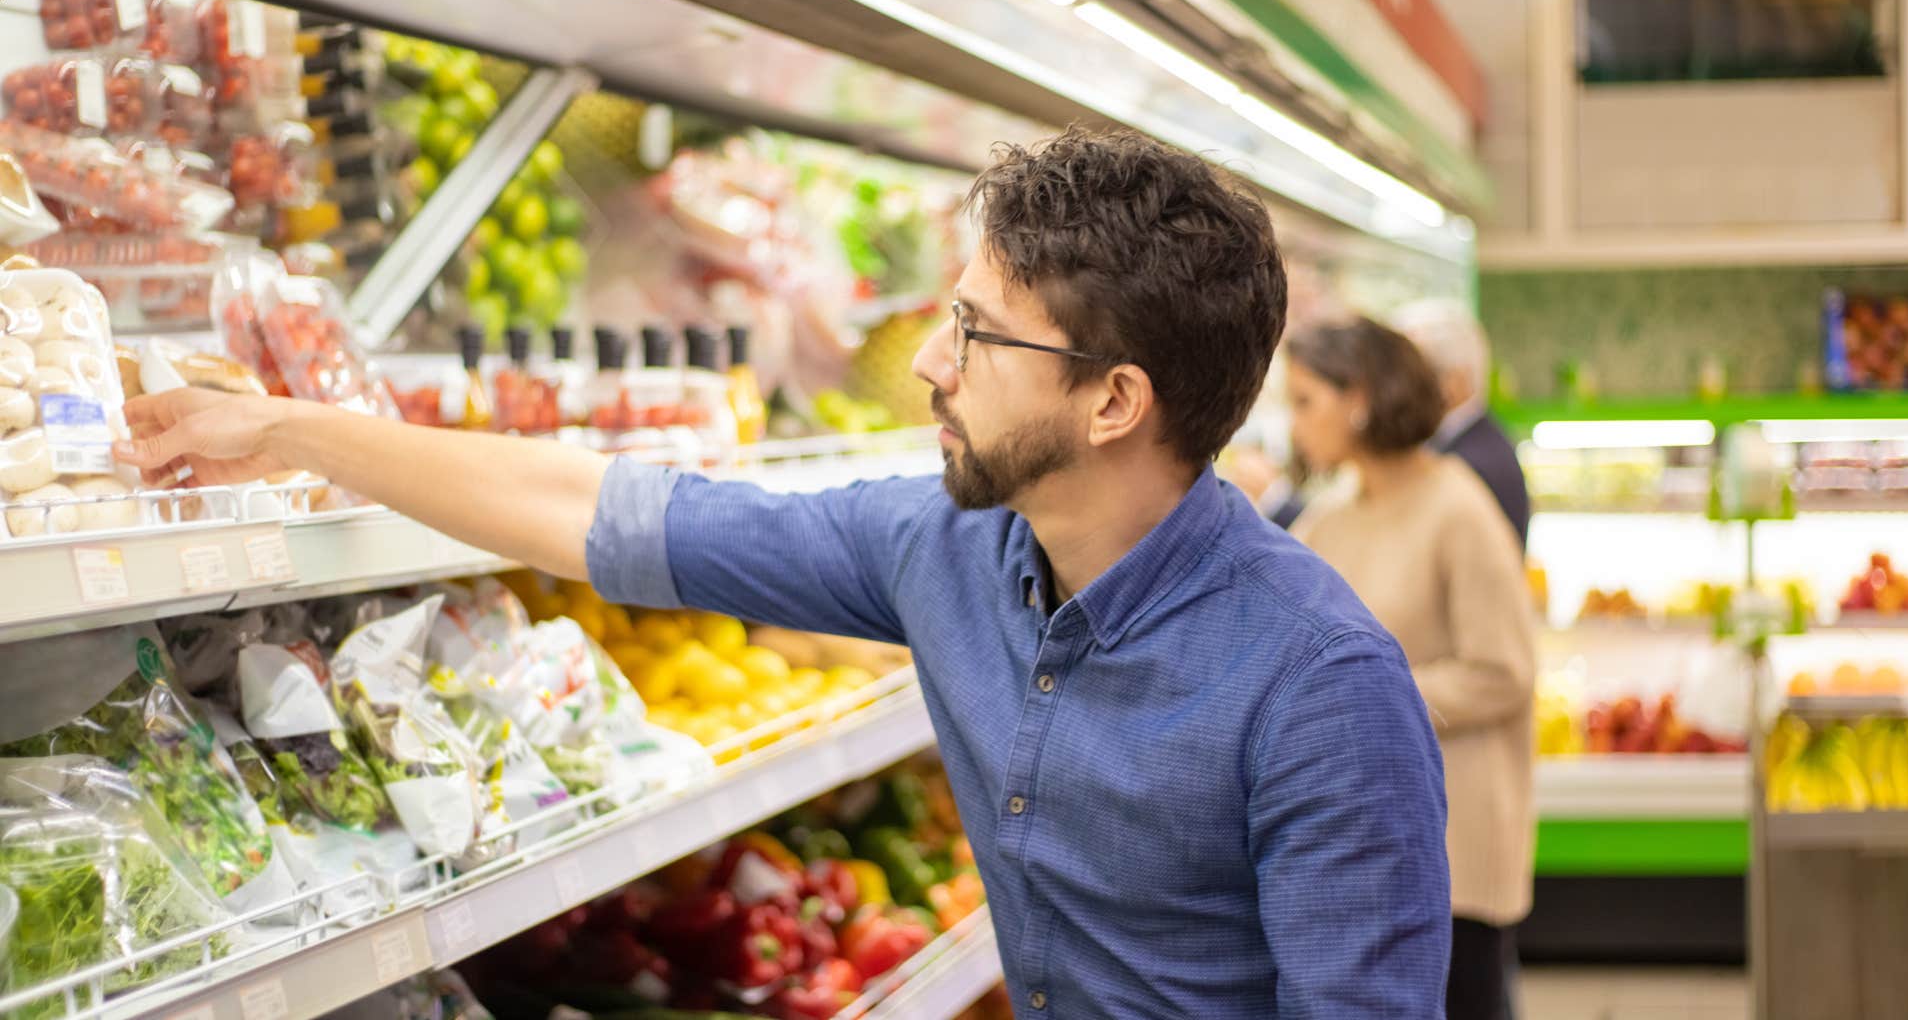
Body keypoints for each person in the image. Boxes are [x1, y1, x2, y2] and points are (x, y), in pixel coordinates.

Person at [116, 130, 1451, 1018]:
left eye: (977, 337)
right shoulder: (950, 549)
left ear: (1115, 403)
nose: (929, 364)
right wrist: (291, 430)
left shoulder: (1319, 687)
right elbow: (602, 509)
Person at [1283, 317, 1536, 1020]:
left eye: (1304, 401)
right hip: (1368, 838)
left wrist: (1364, 696)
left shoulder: (1458, 509)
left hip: (1454, 841)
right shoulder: (1333, 516)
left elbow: (1504, 671)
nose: (1293, 424)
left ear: (1358, 399)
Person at [1390, 299, 1530, 548]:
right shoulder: (1465, 447)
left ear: (1454, 381)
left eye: (1411, 375)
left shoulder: (1474, 464)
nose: (1397, 391)